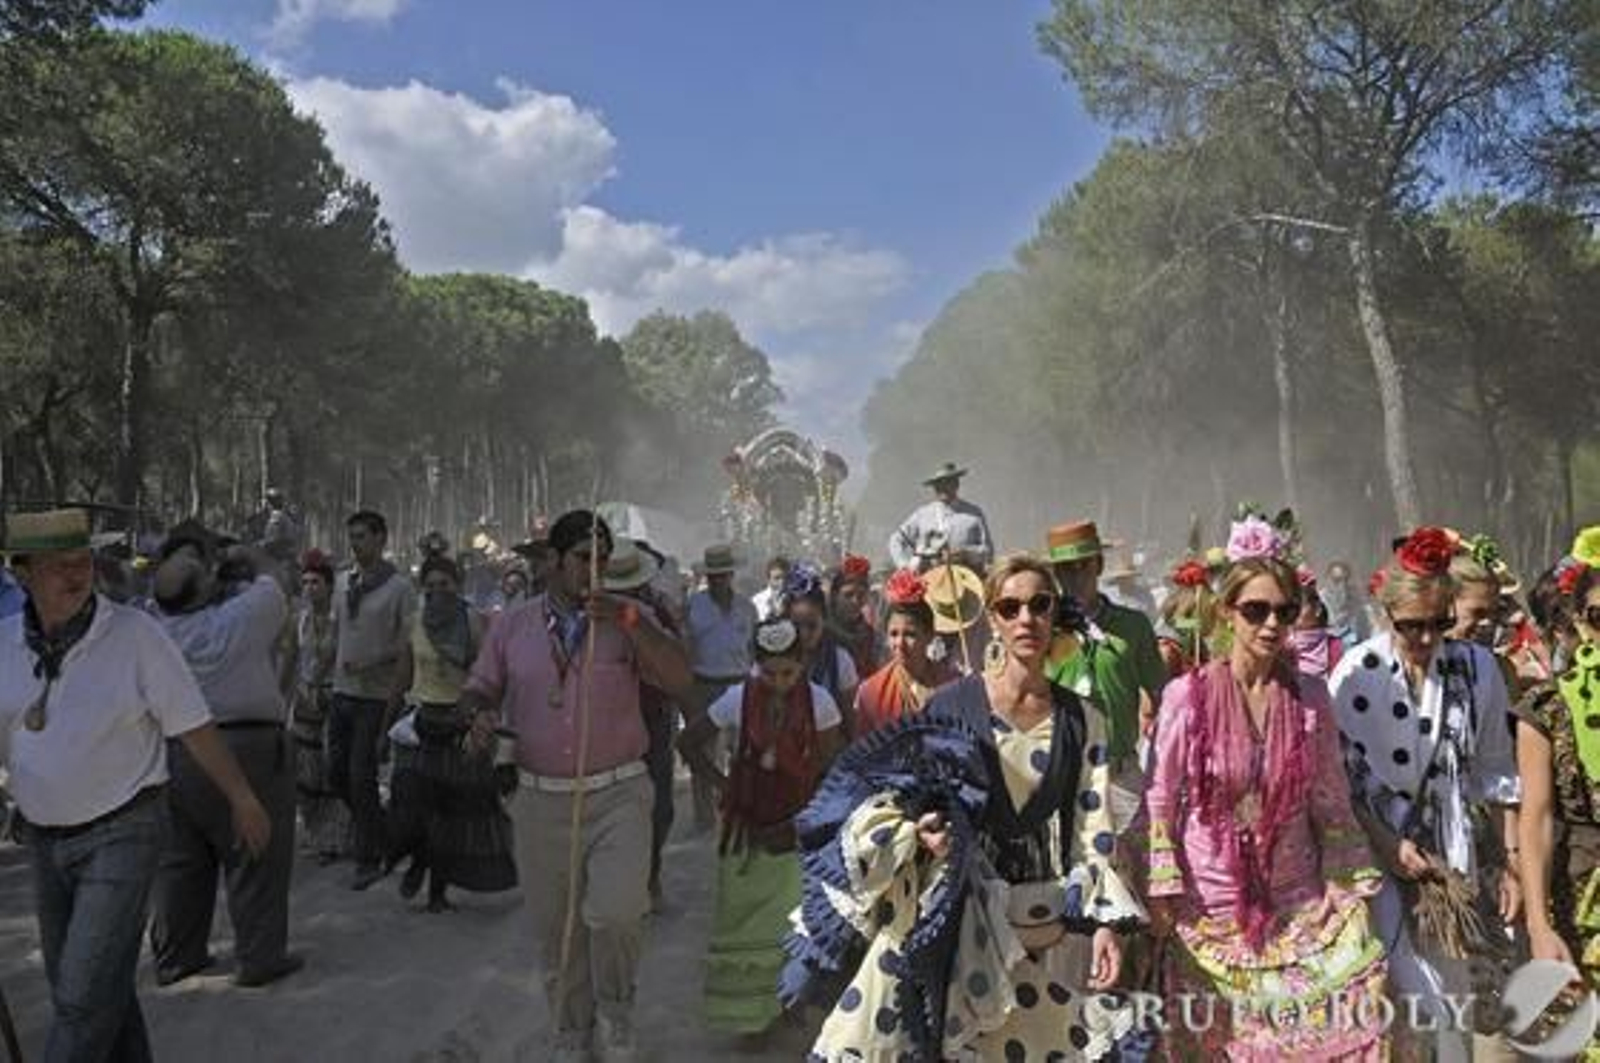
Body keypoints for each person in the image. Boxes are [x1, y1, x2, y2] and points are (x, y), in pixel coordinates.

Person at [796, 553, 1144, 1060]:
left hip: (1041, 929)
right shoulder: (949, 707)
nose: (1026, 618)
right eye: (1010, 606)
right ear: (993, 620)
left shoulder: (1082, 719)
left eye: (1039, 604)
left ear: (1054, 613)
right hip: (956, 922)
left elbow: (1094, 828)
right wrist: (925, 830)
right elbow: (905, 798)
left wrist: (1106, 925)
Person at [0, 508, 270, 1062]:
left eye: (84, 560)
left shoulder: (135, 635)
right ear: (23, 572)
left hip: (125, 830)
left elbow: (193, 724)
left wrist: (242, 798)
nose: (77, 574)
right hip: (45, 839)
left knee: (79, 1001)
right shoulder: (3, 643)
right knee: (97, 990)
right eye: (58, 565)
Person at [459, 510, 690, 1063]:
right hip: (539, 797)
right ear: (554, 562)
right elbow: (478, 689)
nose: (596, 570)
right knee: (554, 928)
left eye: (604, 560)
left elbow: (680, 678)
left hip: (620, 791)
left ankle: (617, 1014)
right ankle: (570, 1030)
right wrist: (478, 717)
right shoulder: (510, 625)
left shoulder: (630, 619)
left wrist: (631, 619)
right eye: (585, 558)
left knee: (615, 912)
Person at [1146, 540, 1388, 1058]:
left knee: (1351, 1013)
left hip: (1298, 903)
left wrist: (1347, 888)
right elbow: (1162, 799)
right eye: (1256, 611)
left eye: (1285, 611)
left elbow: (1329, 798)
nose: (1272, 625)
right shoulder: (1186, 698)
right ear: (1226, 613)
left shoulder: (1310, 697)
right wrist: (1162, 891)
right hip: (1211, 910)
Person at [1331, 527, 1521, 1063]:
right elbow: (1339, 783)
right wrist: (1388, 844)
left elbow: (1495, 770)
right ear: (1384, 612)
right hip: (1374, 860)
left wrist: (1508, 862)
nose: (1424, 638)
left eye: (1438, 624)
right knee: (1403, 1002)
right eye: (1410, 626)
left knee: (1455, 1002)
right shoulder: (1353, 675)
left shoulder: (1477, 668)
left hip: (1453, 863)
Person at [678, 618, 844, 1036]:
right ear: (755, 665)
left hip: (799, 837)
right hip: (746, 835)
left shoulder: (821, 703)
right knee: (742, 922)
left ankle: (789, 1004)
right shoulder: (737, 698)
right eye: (768, 673)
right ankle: (747, 1020)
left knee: (794, 927)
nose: (779, 682)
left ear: (802, 663)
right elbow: (687, 742)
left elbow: (833, 768)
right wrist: (724, 787)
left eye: (788, 673)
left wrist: (804, 820)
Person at [149, 538, 301, 988]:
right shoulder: (240, 617)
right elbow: (276, 579)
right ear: (206, 586)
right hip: (247, 748)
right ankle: (259, 957)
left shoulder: (153, 628)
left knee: (180, 861)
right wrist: (244, 553)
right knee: (256, 854)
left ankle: (177, 956)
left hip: (175, 753)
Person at [387, 555, 514, 912]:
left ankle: (437, 890)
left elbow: (488, 675)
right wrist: (385, 725)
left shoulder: (473, 621)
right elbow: (401, 676)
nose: (437, 592)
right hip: (422, 725)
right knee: (413, 807)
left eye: (444, 585)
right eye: (430, 586)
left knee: (449, 814)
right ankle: (418, 861)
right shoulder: (414, 623)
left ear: (457, 586)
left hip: (460, 726)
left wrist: (484, 723)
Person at [1515, 531, 1600, 1009]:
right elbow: (1537, 820)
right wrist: (1539, 928)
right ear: (1583, 624)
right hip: (1583, 905)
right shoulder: (1547, 710)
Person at [328, 509, 415, 891]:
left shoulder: (399, 588)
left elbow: (409, 647)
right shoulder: (342, 582)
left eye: (362, 535)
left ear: (381, 539)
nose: (355, 543)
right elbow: (335, 631)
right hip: (340, 691)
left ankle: (369, 857)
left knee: (361, 776)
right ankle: (381, 831)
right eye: (352, 536)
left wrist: (374, 660)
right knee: (336, 774)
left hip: (375, 696)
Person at [1045, 520, 1166, 771]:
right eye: (1067, 569)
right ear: (1056, 573)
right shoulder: (1042, 631)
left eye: (1084, 566)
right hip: (1060, 775)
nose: (1076, 576)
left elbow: (1160, 695)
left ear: (1098, 565)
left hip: (1120, 771)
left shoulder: (1134, 626)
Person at [603, 539, 683, 910]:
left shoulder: (656, 613)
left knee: (660, 806)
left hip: (652, 718)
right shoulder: (588, 615)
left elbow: (677, 662)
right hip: (606, 720)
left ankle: (650, 875)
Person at [683, 544, 759, 829]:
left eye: (722, 575)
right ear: (707, 577)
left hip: (740, 684)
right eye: (712, 576)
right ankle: (704, 817)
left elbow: (754, 649)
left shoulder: (746, 608)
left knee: (743, 753)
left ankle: (741, 810)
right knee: (703, 753)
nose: (718, 580)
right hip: (704, 684)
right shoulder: (693, 606)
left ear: (730, 575)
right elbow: (684, 647)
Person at [288, 548, 348, 863]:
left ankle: (332, 838)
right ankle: (314, 831)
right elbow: (291, 659)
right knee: (304, 771)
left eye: (316, 582)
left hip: (334, 695)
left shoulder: (342, 618)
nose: (310, 588)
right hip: (304, 698)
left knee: (329, 769)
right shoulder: (298, 619)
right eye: (306, 582)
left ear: (328, 585)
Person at [852, 569, 957, 735]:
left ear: (929, 635)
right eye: (893, 634)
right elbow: (865, 753)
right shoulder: (871, 693)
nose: (899, 644)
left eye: (910, 634)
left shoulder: (953, 685)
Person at [783, 564, 860, 731]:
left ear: (824, 620)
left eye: (812, 626)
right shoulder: (772, 661)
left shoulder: (840, 661)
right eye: (797, 626)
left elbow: (851, 719)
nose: (804, 634)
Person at [887, 461, 995, 573]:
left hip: (964, 580)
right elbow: (895, 540)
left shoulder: (974, 514)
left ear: (956, 484)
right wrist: (904, 566)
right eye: (938, 484)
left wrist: (965, 553)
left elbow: (988, 551)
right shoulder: (922, 515)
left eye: (947, 482)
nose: (942, 488)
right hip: (928, 582)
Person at [829, 553, 882, 680]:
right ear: (835, 596)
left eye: (861, 595)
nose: (855, 601)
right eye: (848, 595)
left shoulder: (869, 635)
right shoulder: (821, 633)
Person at [751, 555, 790, 621]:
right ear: (768, 579)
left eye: (785, 578)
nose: (782, 582)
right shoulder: (757, 601)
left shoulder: (795, 601)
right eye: (777, 578)